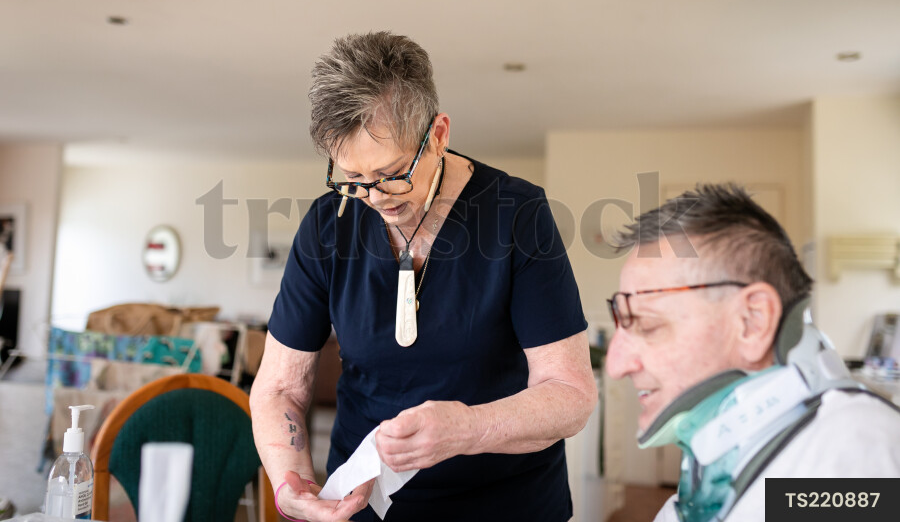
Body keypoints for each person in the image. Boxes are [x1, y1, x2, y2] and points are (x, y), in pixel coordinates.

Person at [249, 31, 597, 522]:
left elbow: (571, 395)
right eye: (352, 179)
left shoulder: (516, 214)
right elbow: (279, 388)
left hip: (505, 506)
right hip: (363, 506)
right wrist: (292, 484)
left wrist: (468, 428)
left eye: (392, 173)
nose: (374, 196)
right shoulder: (329, 226)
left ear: (438, 134)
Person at [605, 183, 900, 522]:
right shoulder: (718, 474)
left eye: (648, 325)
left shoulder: (855, 457)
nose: (616, 365)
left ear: (752, 321)